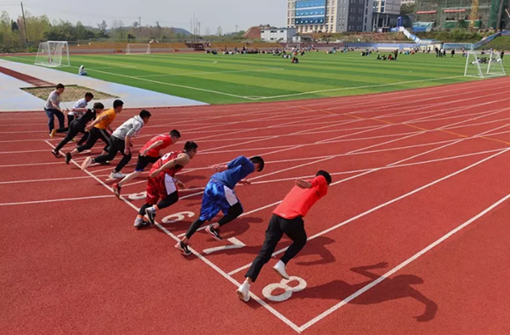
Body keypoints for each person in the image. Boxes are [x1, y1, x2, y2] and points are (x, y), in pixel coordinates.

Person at [236, 171, 332, 302]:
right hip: (291, 219)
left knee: (265, 252)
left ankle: (245, 284)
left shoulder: (299, 184)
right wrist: (313, 183)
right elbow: (321, 180)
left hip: (276, 217)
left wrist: (310, 182)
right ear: (326, 183)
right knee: (301, 240)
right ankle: (282, 263)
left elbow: (317, 179)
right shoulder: (319, 188)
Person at [175, 155, 265, 256]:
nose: (253, 171)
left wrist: (240, 180)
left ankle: (183, 242)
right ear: (257, 165)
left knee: (203, 216)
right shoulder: (250, 165)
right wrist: (226, 166)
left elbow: (232, 172)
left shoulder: (239, 166)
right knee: (237, 210)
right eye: (257, 169)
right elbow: (242, 158)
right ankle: (214, 227)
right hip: (222, 187)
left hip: (211, 184)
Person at [135, 141, 198, 228]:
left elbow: (171, 167)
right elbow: (174, 161)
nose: (195, 154)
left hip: (153, 171)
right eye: (195, 151)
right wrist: (160, 170)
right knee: (173, 197)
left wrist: (176, 181)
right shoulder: (186, 157)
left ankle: (138, 220)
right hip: (161, 174)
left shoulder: (175, 152)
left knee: (152, 198)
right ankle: (152, 210)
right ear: (192, 151)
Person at [81, 110, 151, 179]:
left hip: (114, 136)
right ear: (145, 118)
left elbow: (125, 130)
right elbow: (127, 135)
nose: (148, 120)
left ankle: (92, 160)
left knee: (110, 156)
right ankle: (115, 172)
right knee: (127, 156)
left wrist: (128, 142)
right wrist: (126, 147)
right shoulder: (138, 124)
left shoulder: (133, 119)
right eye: (148, 118)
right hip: (119, 139)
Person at [112, 130, 181, 197]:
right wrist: (147, 150)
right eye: (176, 140)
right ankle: (174, 184)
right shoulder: (168, 139)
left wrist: (163, 155)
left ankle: (118, 185)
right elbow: (158, 143)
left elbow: (157, 147)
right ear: (174, 137)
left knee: (137, 172)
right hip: (150, 154)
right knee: (167, 167)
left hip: (143, 153)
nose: (175, 142)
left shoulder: (163, 136)